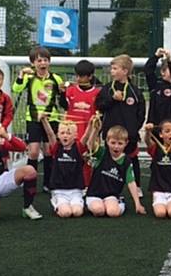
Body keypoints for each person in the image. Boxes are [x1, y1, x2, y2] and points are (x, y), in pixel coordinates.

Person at [12, 46, 65, 192]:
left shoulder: (56, 78)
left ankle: (48, 183)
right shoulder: (29, 78)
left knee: (49, 151)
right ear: (33, 63)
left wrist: (64, 93)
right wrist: (21, 74)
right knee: (34, 151)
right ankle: (30, 181)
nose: (42, 63)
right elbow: (16, 89)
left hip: (51, 119)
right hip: (33, 118)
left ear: (49, 62)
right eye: (39, 60)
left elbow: (62, 101)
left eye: (45, 60)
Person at [95, 54, 146, 195]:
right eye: (112, 68)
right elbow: (99, 106)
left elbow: (141, 113)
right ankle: (105, 185)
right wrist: (112, 99)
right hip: (110, 133)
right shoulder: (107, 89)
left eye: (115, 68)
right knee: (108, 159)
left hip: (129, 134)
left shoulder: (135, 92)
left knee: (132, 158)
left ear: (125, 71)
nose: (111, 71)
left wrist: (134, 130)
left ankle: (137, 186)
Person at [84, 123, 146, 218]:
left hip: (111, 195)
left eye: (120, 143)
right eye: (113, 143)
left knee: (113, 212)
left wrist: (137, 204)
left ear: (126, 143)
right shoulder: (102, 153)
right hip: (94, 194)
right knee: (99, 211)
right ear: (107, 141)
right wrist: (96, 130)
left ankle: (120, 203)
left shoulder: (126, 161)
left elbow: (131, 182)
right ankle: (93, 204)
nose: (116, 147)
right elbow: (90, 144)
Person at [39, 114, 90, 218]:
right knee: (65, 213)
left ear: (75, 135)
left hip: (76, 190)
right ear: (58, 135)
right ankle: (57, 203)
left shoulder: (78, 147)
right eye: (62, 133)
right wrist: (44, 120)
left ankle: (77, 203)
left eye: (68, 133)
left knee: (77, 212)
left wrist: (92, 124)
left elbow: (86, 137)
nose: (65, 135)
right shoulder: (56, 147)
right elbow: (50, 134)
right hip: (59, 190)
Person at [65, 59, 101, 187]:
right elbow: (63, 106)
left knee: (86, 159)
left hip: (88, 132)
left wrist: (95, 133)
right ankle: (69, 184)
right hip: (71, 132)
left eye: (82, 76)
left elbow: (98, 115)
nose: (79, 78)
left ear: (90, 76)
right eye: (77, 75)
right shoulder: (70, 91)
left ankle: (86, 186)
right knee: (69, 158)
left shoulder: (97, 93)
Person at [145, 47, 171, 125]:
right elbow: (148, 71)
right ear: (162, 71)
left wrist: (170, 60)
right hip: (156, 128)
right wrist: (156, 57)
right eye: (169, 69)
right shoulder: (155, 85)